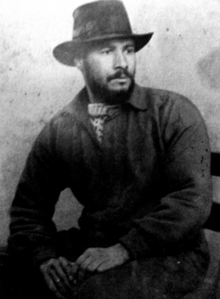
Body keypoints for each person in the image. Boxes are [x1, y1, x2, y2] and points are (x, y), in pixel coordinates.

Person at [0, 0, 212, 298]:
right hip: (95, 245)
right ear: (78, 60)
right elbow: (28, 209)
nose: (122, 62)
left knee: (92, 294)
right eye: (106, 51)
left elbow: (193, 200)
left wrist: (126, 248)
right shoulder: (61, 129)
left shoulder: (173, 112)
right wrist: (44, 258)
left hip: (168, 254)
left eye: (127, 49)